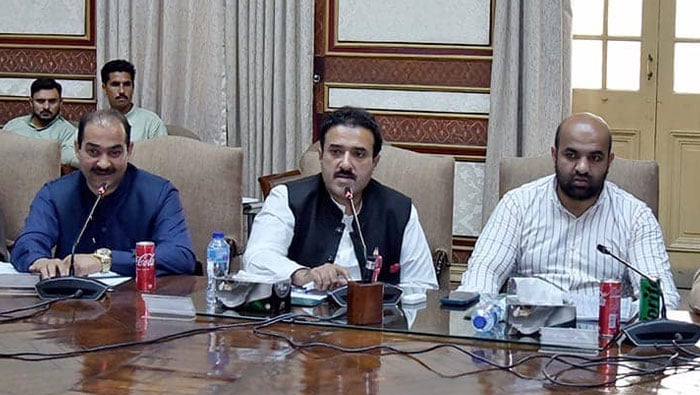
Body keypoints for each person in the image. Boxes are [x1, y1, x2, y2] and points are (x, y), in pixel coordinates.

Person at [459, 113, 680, 308]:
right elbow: (482, 276)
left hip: (606, 343)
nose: (582, 167)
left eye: (595, 157)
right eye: (571, 155)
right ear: (554, 155)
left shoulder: (635, 217)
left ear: (609, 161)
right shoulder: (518, 205)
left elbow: (662, 299)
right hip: (528, 339)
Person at [243, 106, 438, 291]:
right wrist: (302, 274)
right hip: (299, 322)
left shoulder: (399, 210)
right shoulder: (287, 198)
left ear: (374, 162)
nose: (345, 164)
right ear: (321, 155)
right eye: (335, 152)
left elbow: (423, 285)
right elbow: (257, 258)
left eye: (358, 154)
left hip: (377, 322)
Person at [11, 109, 195, 278]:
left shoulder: (159, 193)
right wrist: (39, 261)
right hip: (71, 305)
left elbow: (180, 256)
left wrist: (104, 261)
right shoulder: (54, 194)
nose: (103, 163)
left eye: (114, 152)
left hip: (137, 303)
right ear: (77, 149)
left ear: (129, 151)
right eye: (93, 152)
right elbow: (28, 242)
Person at [3, 78, 78, 167]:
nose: (46, 107)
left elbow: (68, 158)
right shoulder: (13, 126)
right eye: (40, 101)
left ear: (60, 103)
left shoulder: (69, 133)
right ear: (31, 102)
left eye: (52, 101)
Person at [101, 59, 167, 141]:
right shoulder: (95, 123)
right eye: (115, 85)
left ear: (133, 87)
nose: (121, 91)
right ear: (104, 88)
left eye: (126, 84)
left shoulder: (151, 122)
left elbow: (163, 153)